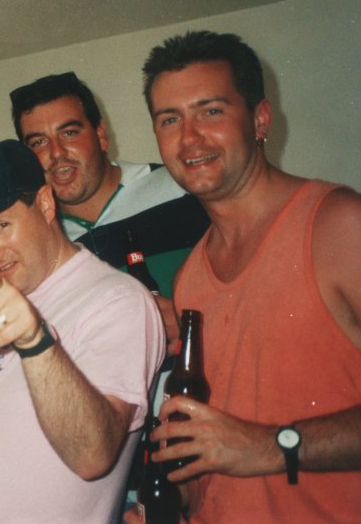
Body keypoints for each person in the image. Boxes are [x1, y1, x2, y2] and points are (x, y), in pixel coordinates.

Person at [141, 30, 361, 523]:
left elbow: (251, 444)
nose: (189, 137)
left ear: (260, 119)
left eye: (211, 111)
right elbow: (219, 444)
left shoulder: (338, 225)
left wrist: (272, 445)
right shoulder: (190, 276)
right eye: (170, 119)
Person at [0, 139, 165, 523]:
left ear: (47, 205)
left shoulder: (119, 302)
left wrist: (36, 342)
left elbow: (92, 457)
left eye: (2, 225)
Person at [9, 71, 209, 355]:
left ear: (101, 136)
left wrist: (193, 325)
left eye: (69, 133)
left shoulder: (182, 188)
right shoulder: (36, 238)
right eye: (38, 142)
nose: (56, 153)